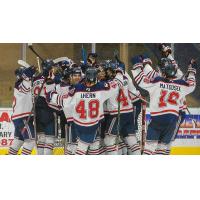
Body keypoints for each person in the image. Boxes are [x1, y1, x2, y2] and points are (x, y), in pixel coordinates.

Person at [131, 55, 197, 155]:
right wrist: (192, 71)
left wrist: (137, 65)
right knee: (162, 148)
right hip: (172, 120)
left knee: (149, 148)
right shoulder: (181, 84)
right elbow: (191, 85)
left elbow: (142, 81)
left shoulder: (157, 81)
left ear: (163, 71)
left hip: (158, 119)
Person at [47, 67, 119, 155]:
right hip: (93, 124)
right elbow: (115, 85)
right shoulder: (101, 88)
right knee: (85, 148)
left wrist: (51, 95)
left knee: (89, 147)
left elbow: (64, 100)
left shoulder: (77, 88)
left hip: (78, 124)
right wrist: (118, 73)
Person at [9, 65, 36, 155]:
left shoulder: (21, 84)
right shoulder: (19, 84)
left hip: (19, 117)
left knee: (18, 141)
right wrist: (28, 73)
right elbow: (25, 87)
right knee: (31, 141)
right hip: (23, 118)